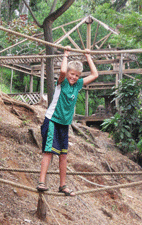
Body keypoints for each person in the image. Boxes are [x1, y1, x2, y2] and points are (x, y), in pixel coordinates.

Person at [36, 46, 99, 196]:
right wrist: (66, 55)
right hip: (52, 120)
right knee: (48, 152)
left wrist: (87, 56)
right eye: (72, 74)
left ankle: (62, 185)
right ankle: (41, 181)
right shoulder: (62, 82)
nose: (74, 77)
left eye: (77, 75)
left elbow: (95, 74)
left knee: (63, 155)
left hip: (64, 125)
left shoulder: (77, 86)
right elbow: (63, 72)